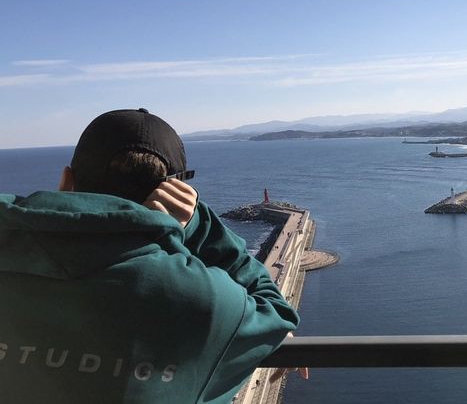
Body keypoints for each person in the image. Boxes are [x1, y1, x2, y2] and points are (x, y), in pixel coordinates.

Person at [0, 109, 299, 403]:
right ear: (178, 193)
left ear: (66, 181)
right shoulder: (203, 299)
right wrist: (196, 225)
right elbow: (275, 310)